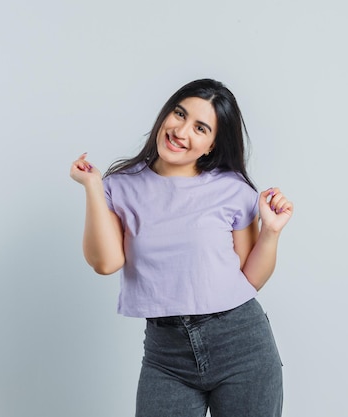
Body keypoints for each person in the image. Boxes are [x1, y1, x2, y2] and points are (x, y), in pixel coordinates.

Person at [69, 78, 293, 417]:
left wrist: (271, 233)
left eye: (200, 128)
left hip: (242, 345)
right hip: (166, 356)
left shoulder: (232, 191)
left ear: (212, 145)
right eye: (179, 113)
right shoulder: (119, 187)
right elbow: (106, 262)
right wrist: (92, 187)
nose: (181, 130)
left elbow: (250, 280)